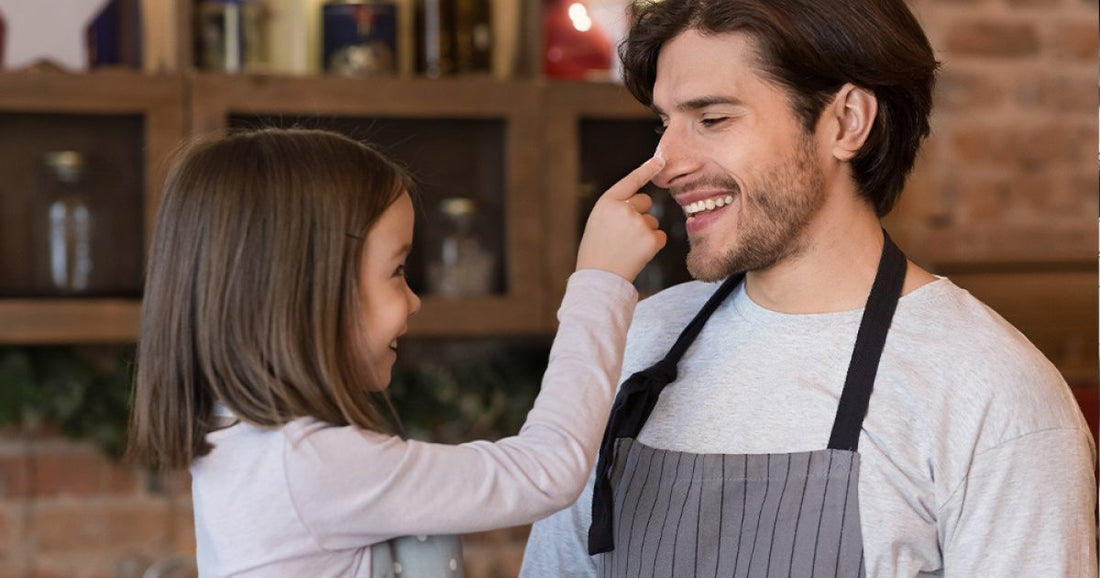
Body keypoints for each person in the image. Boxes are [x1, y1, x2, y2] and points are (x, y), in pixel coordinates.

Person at [520, 1, 1098, 576]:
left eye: (713, 119)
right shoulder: (634, 341)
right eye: (664, 124)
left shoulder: (994, 396)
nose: (667, 165)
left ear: (847, 121)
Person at [126, 127, 668, 576]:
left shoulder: (237, 439)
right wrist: (600, 280)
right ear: (307, 287)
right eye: (397, 271)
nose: (412, 302)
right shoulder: (308, 464)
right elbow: (547, 470)